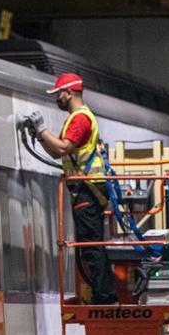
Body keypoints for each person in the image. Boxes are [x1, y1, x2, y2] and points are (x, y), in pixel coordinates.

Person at [23, 73, 116, 304]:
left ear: (70, 92)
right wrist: (41, 136)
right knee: (90, 244)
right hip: (86, 188)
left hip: (88, 188)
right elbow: (57, 152)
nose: (57, 98)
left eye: (59, 94)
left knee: (91, 245)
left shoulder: (80, 119)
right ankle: (102, 292)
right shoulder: (79, 117)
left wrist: (42, 129)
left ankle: (103, 296)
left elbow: (63, 148)